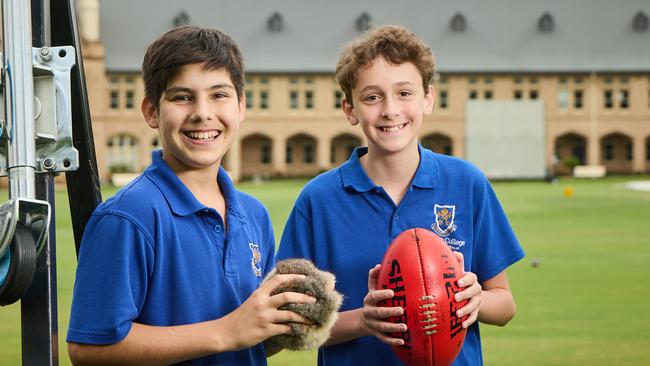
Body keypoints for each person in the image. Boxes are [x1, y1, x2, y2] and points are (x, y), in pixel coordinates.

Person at [66, 26, 315, 365]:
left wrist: (285, 322)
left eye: (219, 95)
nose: (202, 113)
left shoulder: (253, 214)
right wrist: (227, 331)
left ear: (241, 106)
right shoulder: (129, 217)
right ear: (152, 111)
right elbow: (90, 349)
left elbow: (246, 341)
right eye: (182, 97)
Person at [277, 25, 525, 365]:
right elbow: (290, 325)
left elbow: (505, 306)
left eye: (404, 93)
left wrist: (474, 301)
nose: (390, 110)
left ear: (428, 98)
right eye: (372, 97)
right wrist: (362, 321)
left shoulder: (467, 183)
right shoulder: (318, 199)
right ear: (350, 109)